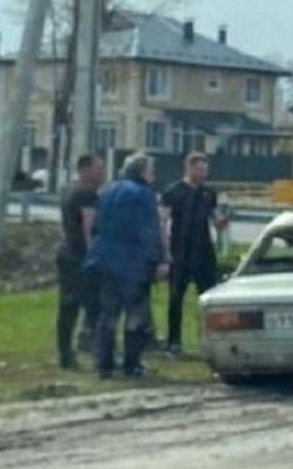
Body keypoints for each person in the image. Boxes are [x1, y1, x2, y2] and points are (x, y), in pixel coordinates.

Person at [86, 152, 167, 379]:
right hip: (133, 264)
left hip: (105, 260)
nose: (153, 174)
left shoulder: (107, 190)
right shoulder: (144, 195)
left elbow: (97, 225)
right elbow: (148, 230)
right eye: (151, 169)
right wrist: (159, 260)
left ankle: (104, 365)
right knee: (136, 316)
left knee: (107, 316)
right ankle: (131, 364)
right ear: (143, 171)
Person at [160, 152, 228, 355]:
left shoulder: (208, 193)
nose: (204, 173)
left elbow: (216, 219)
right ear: (189, 168)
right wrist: (165, 249)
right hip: (180, 250)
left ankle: (210, 340)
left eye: (206, 168)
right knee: (176, 297)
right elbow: (163, 220)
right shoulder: (174, 191)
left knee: (208, 297)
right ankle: (173, 341)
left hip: (203, 250)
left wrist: (221, 222)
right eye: (200, 168)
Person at [55, 153, 105, 369]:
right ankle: (99, 354)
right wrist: (94, 256)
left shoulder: (68, 191)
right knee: (95, 308)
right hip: (82, 257)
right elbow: (88, 228)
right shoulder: (87, 195)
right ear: (85, 169)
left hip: (66, 254)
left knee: (67, 307)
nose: (101, 173)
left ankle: (64, 354)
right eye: (98, 169)